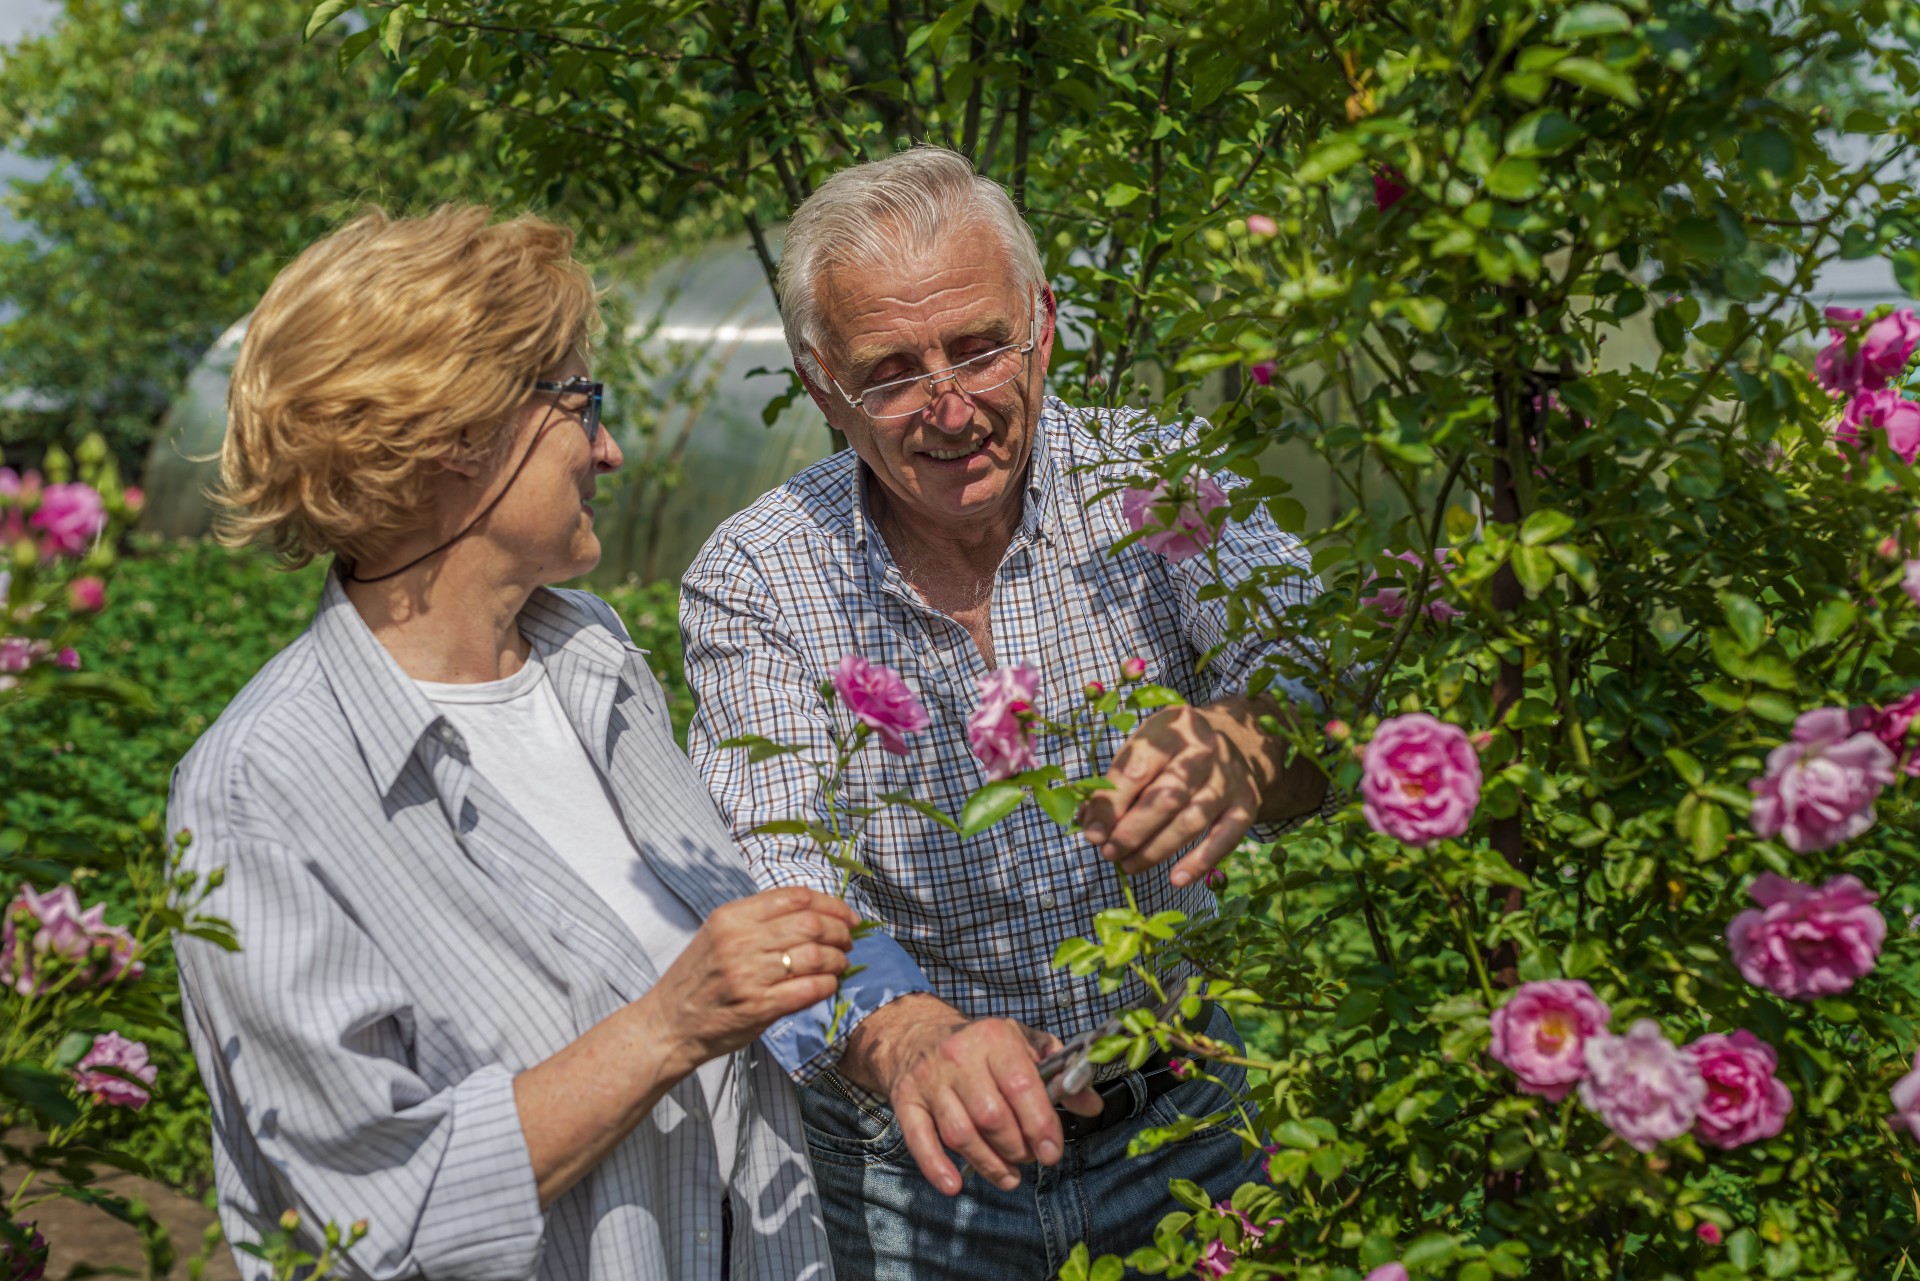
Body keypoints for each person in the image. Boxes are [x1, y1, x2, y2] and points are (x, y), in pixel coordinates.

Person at [168, 205, 854, 1281]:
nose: (612, 448)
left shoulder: (590, 659)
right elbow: (360, 1224)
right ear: (458, 431)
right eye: (582, 403)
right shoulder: (261, 791)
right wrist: (667, 1025)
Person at [681, 146, 1329, 1279]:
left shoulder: (1157, 481)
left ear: (1044, 323)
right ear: (822, 378)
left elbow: (1317, 668)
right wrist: (906, 1033)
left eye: (981, 348)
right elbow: (773, 868)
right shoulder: (760, 575)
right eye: (892, 370)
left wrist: (1252, 734)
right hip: (918, 1169)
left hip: (1185, 1121)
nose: (952, 405)